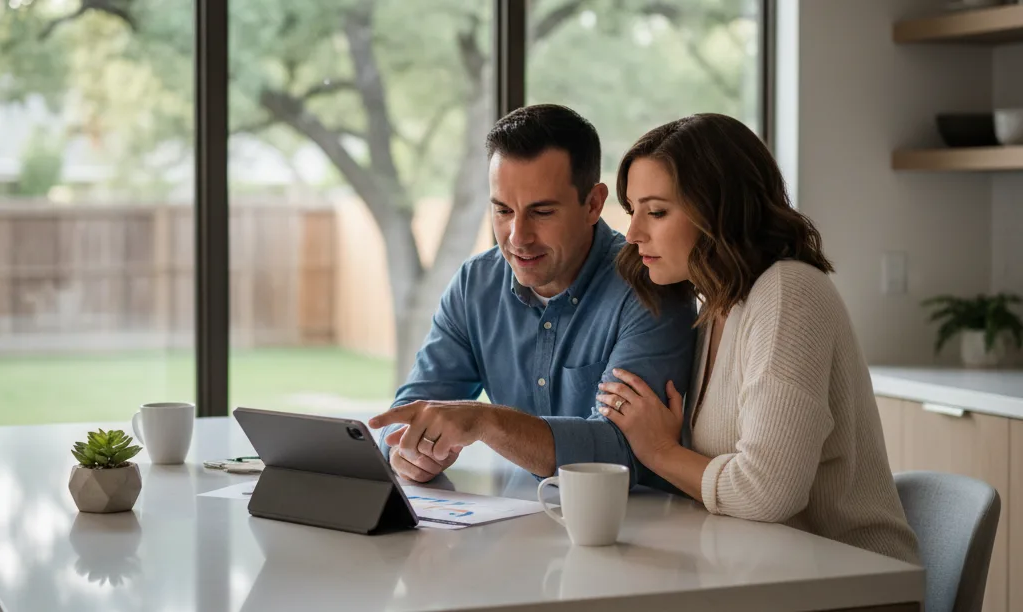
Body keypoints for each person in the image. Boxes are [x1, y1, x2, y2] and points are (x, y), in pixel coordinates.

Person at [595, 113, 920, 564]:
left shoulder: (788, 293)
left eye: (657, 211)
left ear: (718, 208)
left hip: (856, 580)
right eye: (633, 212)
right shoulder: (717, 305)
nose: (632, 234)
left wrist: (661, 451)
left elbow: (767, 494)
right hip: (765, 569)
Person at [368, 104, 696, 487]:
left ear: (592, 204)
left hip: (634, 533)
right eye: (503, 210)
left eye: (541, 212)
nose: (517, 237)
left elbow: (625, 453)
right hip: (515, 529)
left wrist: (487, 422)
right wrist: (407, 452)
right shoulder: (476, 284)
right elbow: (409, 413)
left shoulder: (648, 287)